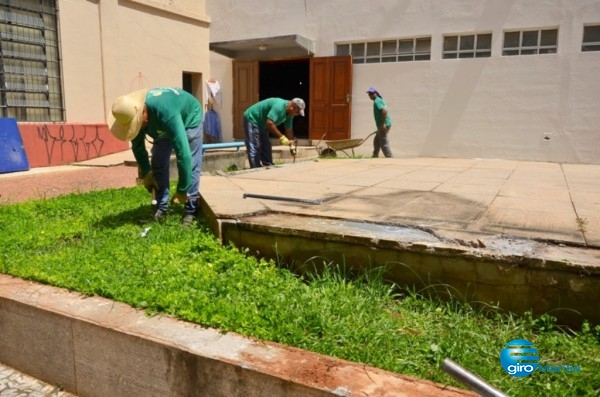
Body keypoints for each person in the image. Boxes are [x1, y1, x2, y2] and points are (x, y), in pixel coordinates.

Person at [108, 87, 203, 225]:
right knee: (158, 160)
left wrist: (182, 189)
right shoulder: (131, 114)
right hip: (163, 122)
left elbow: (184, 155)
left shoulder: (166, 112)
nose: (137, 127)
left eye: (138, 123)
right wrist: (147, 173)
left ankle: (191, 208)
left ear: (144, 112)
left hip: (189, 116)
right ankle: (161, 207)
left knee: (192, 163)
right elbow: (138, 147)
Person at [243, 97, 305, 168]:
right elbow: (270, 123)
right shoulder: (279, 106)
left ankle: (268, 164)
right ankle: (255, 168)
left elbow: (289, 130)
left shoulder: (290, 114)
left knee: (266, 145)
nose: (297, 114)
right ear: (293, 107)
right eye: (297, 112)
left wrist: (291, 144)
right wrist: (281, 137)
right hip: (253, 118)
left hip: (263, 123)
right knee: (255, 145)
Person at [366, 87, 393, 158]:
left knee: (383, 142)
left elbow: (384, 111)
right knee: (377, 141)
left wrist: (383, 124)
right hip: (383, 124)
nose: (370, 95)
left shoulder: (377, 101)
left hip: (383, 124)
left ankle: (389, 157)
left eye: (371, 93)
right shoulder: (378, 100)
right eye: (369, 94)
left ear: (375, 93)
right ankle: (375, 155)